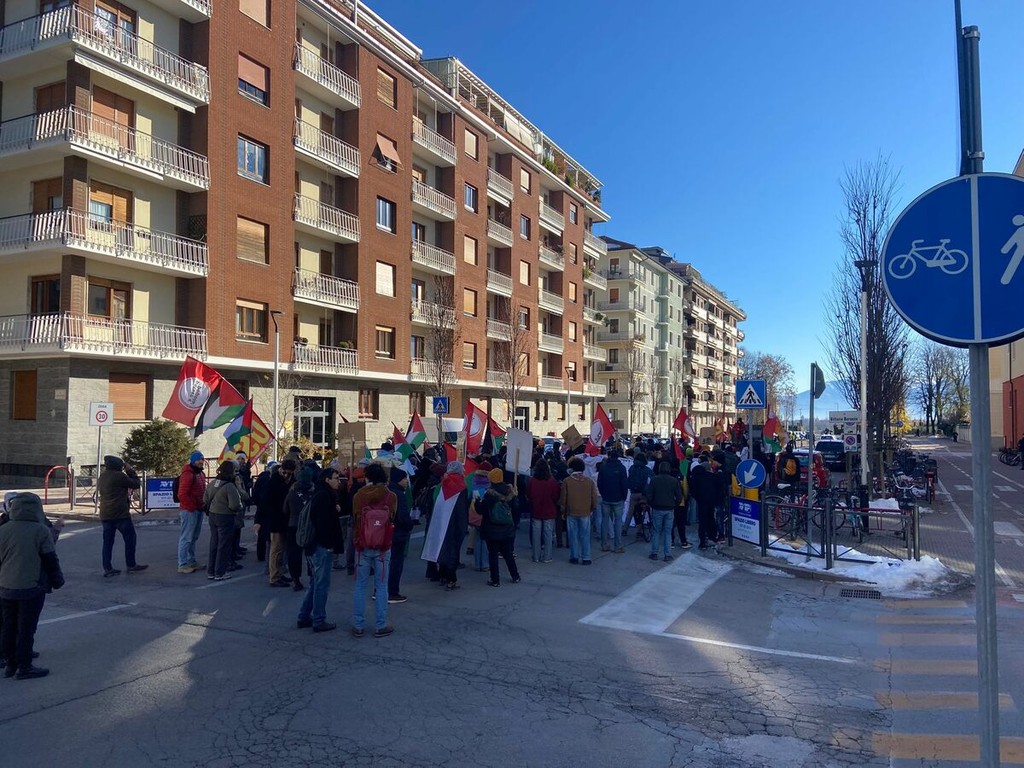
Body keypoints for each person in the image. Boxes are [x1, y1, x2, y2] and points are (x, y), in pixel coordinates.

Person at [0, 493, 64, 680]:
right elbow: (50, 559)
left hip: (5, 586)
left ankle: (10, 664)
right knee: (26, 628)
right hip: (31, 586)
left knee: (8, 626)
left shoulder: (3, 529)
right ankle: (24, 666)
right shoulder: (40, 530)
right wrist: (57, 581)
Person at [351, 463, 396, 637]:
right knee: (382, 586)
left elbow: (355, 518)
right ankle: (380, 624)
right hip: (383, 545)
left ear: (367, 477)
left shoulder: (359, 495)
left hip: (362, 544)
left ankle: (358, 625)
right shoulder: (390, 496)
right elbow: (393, 517)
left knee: (360, 585)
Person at [297, 468, 345, 633]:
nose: (338, 481)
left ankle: (304, 616)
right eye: (336, 478)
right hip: (320, 546)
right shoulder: (324, 496)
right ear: (327, 480)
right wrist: (329, 544)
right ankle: (318, 619)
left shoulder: (320, 494)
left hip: (314, 545)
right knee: (321, 584)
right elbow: (323, 524)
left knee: (315, 583)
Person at [421, 461, 470, 591]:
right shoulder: (461, 485)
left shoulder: (443, 483)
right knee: (453, 550)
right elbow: (462, 508)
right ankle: (451, 580)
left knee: (442, 546)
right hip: (455, 522)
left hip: (441, 520)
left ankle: (442, 575)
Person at [98, 455, 146, 577]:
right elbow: (136, 484)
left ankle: (107, 568)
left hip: (105, 514)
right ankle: (131, 564)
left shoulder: (102, 476)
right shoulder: (119, 476)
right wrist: (130, 470)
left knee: (108, 542)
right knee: (130, 538)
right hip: (120, 514)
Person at [478, 467, 521, 586]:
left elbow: (481, 510)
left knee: (493, 555)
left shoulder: (489, 495)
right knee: (508, 553)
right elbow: (516, 509)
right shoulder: (510, 492)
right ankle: (515, 575)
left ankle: (495, 579)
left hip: (491, 529)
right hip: (507, 529)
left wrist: (477, 502)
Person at [203, 461, 243, 581]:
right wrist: (238, 508)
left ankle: (211, 571)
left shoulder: (212, 483)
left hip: (212, 515)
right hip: (225, 516)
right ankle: (220, 572)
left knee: (214, 543)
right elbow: (235, 505)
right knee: (224, 545)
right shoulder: (229, 486)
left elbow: (205, 499)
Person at [560, 456, 598, 565]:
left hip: (571, 511)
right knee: (585, 535)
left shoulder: (567, 481)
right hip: (585, 511)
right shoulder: (589, 481)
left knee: (573, 535)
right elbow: (594, 497)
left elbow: (563, 498)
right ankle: (586, 557)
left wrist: (563, 510)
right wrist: (592, 508)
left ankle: (574, 556)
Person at [281, 463, 312, 590]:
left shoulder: (292, 492)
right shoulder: (313, 492)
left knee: (294, 554)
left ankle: (296, 579)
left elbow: (285, 509)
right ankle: (312, 576)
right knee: (311, 552)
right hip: (309, 526)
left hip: (293, 525)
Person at [176, 451, 206, 574]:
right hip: (189, 511)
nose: (201, 461)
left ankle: (191, 561)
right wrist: (191, 507)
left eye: (202, 459)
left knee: (193, 537)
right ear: (193, 460)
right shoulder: (188, 474)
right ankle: (182, 564)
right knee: (186, 538)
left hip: (197, 509)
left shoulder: (200, 473)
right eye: (198, 459)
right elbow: (182, 494)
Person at [387, 466, 413, 604]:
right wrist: (409, 525)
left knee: (385, 563)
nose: (406, 481)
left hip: (385, 532)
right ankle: (392, 592)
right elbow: (403, 517)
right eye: (404, 478)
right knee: (396, 563)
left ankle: (380, 590)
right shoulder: (399, 495)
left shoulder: (386, 492)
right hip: (398, 533)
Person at [647, 462, 682, 562]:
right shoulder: (674, 480)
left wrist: (652, 504)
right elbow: (679, 496)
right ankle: (668, 554)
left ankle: (654, 553)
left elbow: (649, 494)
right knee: (668, 532)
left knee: (656, 531)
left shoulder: (654, 479)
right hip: (669, 509)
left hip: (657, 508)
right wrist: (675, 505)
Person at [689, 452, 724, 549]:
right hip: (711, 502)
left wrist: (698, 498)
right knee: (711, 519)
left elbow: (693, 491)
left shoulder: (695, 478)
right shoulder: (711, 476)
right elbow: (719, 485)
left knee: (702, 521)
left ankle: (702, 541)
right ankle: (712, 536)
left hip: (701, 502)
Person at [527, 459, 559, 563]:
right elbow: (556, 496)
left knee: (536, 535)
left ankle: (536, 556)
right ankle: (547, 556)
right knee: (548, 535)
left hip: (536, 510)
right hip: (549, 510)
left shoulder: (532, 481)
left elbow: (529, 494)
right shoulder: (552, 481)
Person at [596, 447, 627, 553]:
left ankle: (604, 544)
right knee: (617, 522)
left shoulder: (603, 468)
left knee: (605, 521)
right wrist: (624, 496)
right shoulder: (621, 468)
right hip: (618, 498)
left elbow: (599, 483)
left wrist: (603, 493)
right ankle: (618, 546)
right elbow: (624, 484)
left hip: (606, 497)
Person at [624, 453, 653, 538]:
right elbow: (650, 481)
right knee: (642, 511)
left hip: (633, 493)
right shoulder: (647, 470)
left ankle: (625, 529)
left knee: (630, 512)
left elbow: (629, 479)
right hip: (643, 494)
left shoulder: (632, 468)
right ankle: (639, 531)